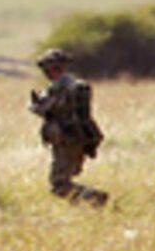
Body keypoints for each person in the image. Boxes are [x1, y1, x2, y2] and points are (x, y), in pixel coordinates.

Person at [29, 48, 109, 207]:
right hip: (74, 139)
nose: (46, 72)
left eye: (48, 68)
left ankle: (95, 198)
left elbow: (43, 108)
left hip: (66, 139)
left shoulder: (59, 87)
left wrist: (35, 105)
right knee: (63, 182)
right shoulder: (75, 85)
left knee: (59, 184)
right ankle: (84, 207)